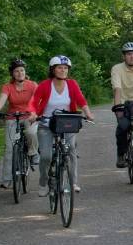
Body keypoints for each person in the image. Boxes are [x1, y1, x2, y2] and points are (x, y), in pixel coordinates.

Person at [30, 55, 95, 196]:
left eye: (65, 68)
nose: (63, 70)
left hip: (66, 123)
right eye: (60, 67)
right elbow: (34, 102)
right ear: (53, 70)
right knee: (46, 156)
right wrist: (33, 114)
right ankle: (43, 182)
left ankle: (73, 182)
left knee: (71, 149)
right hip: (46, 124)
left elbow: (80, 99)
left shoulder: (72, 84)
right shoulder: (45, 85)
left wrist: (88, 113)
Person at [0, 59, 38, 189]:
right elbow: (2, 99)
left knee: (31, 132)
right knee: (10, 148)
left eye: (22, 70)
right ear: (12, 73)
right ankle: (7, 180)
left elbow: (37, 101)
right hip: (13, 117)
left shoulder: (32, 85)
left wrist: (34, 113)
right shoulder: (7, 87)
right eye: (16, 71)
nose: (19, 73)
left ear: (25, 71)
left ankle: (33, 153)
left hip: (29, 116)